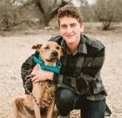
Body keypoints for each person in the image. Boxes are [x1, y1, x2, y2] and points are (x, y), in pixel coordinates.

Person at [21, 5, 111, 118]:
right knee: (64, 97)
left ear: (81, 27)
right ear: (60, 29)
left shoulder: (97, 49)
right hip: (67, 93)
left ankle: (102, 107)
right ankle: (64, 113)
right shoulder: (53, 45)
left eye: (73, 25)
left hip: (92, 94)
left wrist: (50, 75)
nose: (69, 31)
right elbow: (27, 65)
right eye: (64, 26)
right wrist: (33, 93)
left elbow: (82, 85)